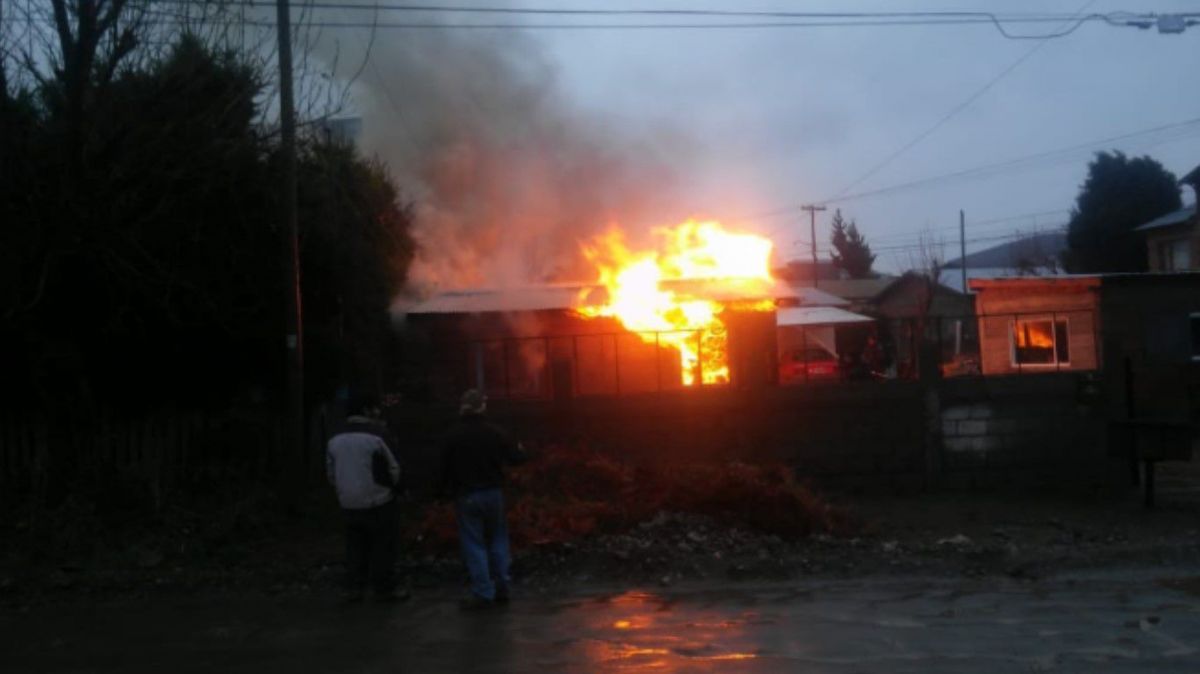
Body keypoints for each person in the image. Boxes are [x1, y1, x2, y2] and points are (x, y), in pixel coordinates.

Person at [439, 389, 527, 610]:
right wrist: (520, 449)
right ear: (482, 407)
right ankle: (502, 586)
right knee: (498, 539)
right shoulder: (496, 432)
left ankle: (482, 592)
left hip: (467, 495)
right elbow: (517, 458)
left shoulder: (453, 435)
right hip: (493, 493)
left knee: (474, 543)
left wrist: (440, 492)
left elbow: (443, 468)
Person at [326, 393, 405, 603]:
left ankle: (354, 588)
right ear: (367, 410)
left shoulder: (334, 437)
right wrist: (397, 489)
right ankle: (384, 589)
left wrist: (342, 491)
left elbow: (331, 472)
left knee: (354, 546)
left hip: (348, 501)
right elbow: (394, 467)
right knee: (383, 545)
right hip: (378, 499)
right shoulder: (379, 434)